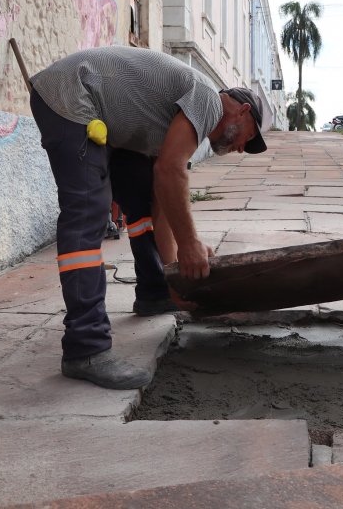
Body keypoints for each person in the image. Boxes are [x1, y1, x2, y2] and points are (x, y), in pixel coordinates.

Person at [29, 46, 267, 389]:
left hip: (101, 112)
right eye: (250, 138)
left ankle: (156, 292)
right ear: (242, 111)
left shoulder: (179, 119)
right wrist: (189, 246)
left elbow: (163, 197)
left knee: (140, 199)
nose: (243, 147)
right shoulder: (208, 100)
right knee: (86, 215)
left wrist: (176, 277)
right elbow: (171, 172)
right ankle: (85, 348)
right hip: (70, 96)